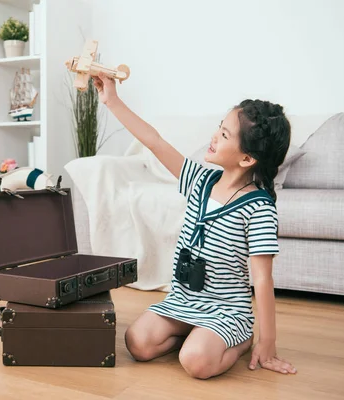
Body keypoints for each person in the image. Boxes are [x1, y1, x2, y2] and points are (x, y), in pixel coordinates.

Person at [92, 72, 297, 379]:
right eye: (219, 128)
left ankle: (240, 340)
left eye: (225, 135)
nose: (214, 137)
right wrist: (113, 101)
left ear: (246, 159)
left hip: (228, 310)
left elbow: (263, 280)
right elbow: (154, 141)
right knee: (137, 343)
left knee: (196, 362)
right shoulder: (200, 181)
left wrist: (268, 344)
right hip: (185, 300)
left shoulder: (259, 209)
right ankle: (196, 334)